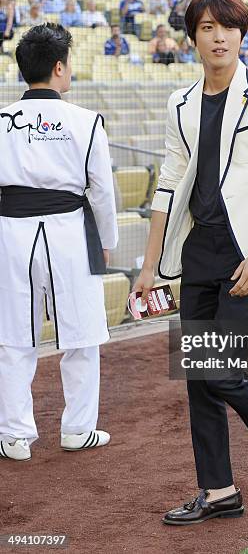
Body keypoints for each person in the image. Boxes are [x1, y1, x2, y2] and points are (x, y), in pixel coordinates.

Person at [132, 0, 248, 524]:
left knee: (222, 369)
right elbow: (167, 184)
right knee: (200, 375)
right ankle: (219, 492)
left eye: (228, 27)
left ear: (242, 34)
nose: (219, 37)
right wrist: (148, 264)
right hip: (199, 252)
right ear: (193, 37)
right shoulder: (180, 103)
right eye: (208, 28)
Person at [0, 23, 118, 460]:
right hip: (71, 232)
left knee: (13, 336)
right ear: (58, 67)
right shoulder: (86, 121)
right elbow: (102, 190)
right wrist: (107, 239)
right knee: (82, 334)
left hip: (10, 232)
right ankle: (77, 429)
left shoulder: (2, 120)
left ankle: (14, 435)